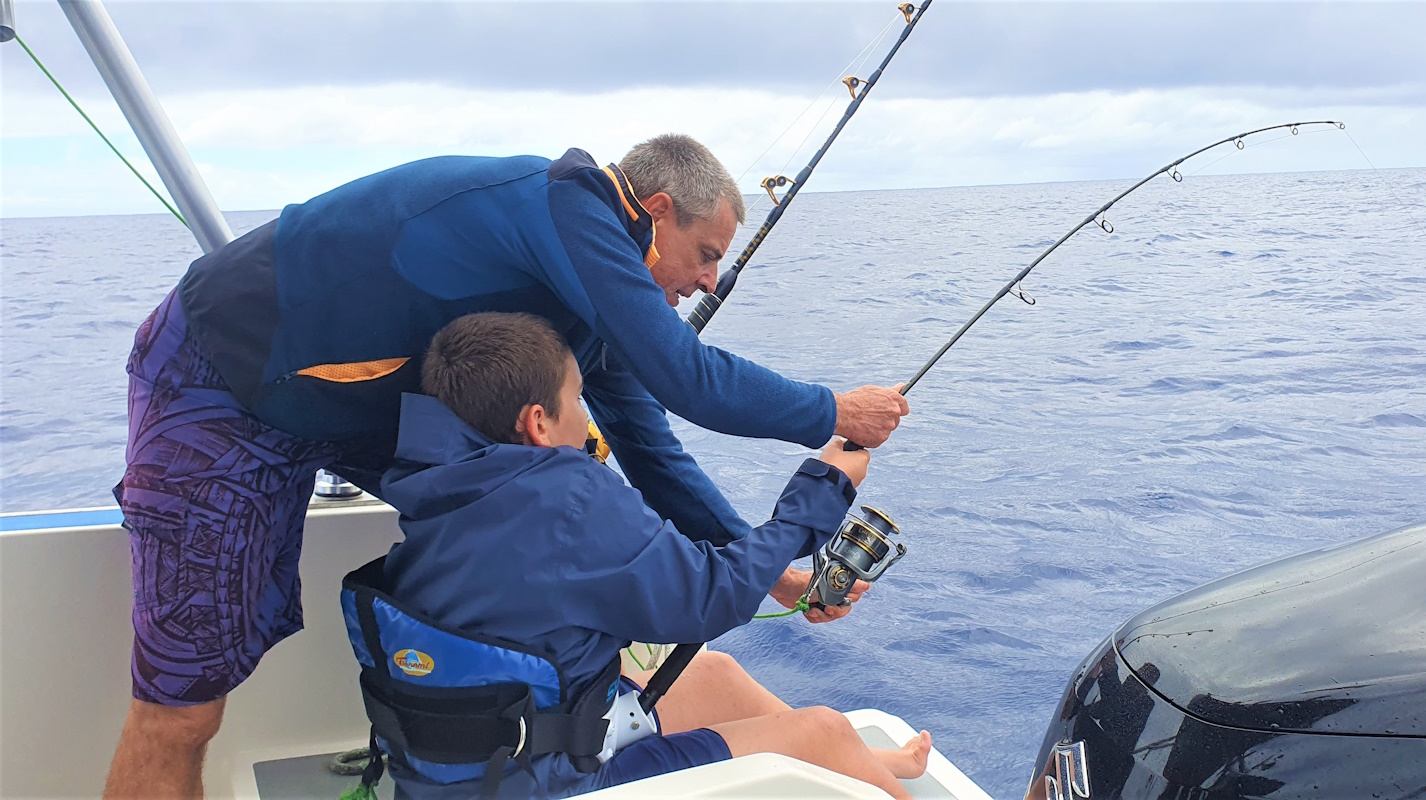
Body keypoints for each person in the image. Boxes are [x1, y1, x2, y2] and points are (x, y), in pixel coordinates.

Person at [106, 135, 909, 797]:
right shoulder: (566, 206)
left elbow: (652, 448)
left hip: (363, 409)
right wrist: (832, 414)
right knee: (181, 711)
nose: (708, 282)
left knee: (525, 533)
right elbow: (687, 376)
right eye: (704, 255)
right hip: (224, 383)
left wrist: (773, 574)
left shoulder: (594, 314)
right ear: (652, 213)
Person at [342, 311, 930, 798]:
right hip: (549, 782)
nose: (585, 416)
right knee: (821, 732)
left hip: (472, 768)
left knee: (715, 674)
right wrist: (823, 489)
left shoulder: (446, 486)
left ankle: (870, 763)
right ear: (538, 422)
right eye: (578, 400)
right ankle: (847, 758)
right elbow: (710, 596)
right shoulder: (565, 497)